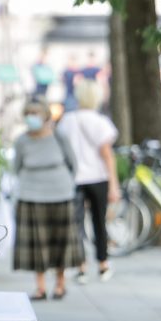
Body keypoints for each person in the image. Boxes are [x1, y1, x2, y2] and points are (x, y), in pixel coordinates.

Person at [12, 100, 84, 300]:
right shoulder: (21, 141)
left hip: (60, 194)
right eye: (28, 113)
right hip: (31, 195)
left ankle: (61, 283)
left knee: (61, 242)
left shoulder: (59, 137)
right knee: (37, 243)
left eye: (35, 112)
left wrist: (66, 183)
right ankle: (40, 286)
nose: (31, 117)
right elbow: (16, 167)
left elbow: (73, 163)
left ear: (45, 116)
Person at [58, 80, 121, 282]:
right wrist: (114, 184)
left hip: (74, 178)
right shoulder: (100, 122)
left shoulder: (67, 120)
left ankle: (81, 265)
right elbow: (107, 155)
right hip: (98, 178)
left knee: (75, 224)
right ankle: (103, 264)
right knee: (99, 222)